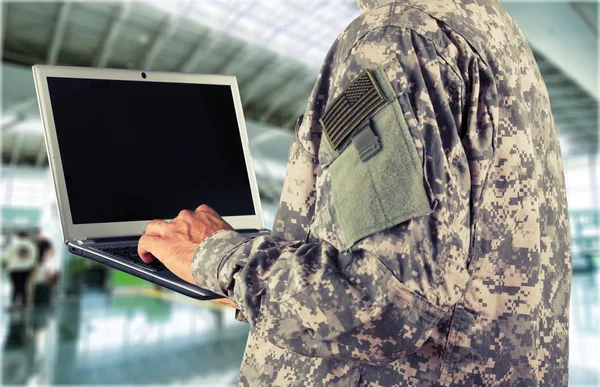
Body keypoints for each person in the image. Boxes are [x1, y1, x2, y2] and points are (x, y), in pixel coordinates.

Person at [138, 0, 571, 385]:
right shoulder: (487, 24)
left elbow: (382, 301)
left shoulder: (400, 37)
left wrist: (217, 255)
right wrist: (241, 285)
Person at [4, 231, 38, 311]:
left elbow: (7, 256)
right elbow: (34, 256)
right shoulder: (31, 245)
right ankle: (23, 303)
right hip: (26, 268)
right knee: (24, 286)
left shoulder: (13, 245)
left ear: (18, 236)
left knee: (15, 286)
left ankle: (13, 303)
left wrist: (7, 264)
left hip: (14, 268)